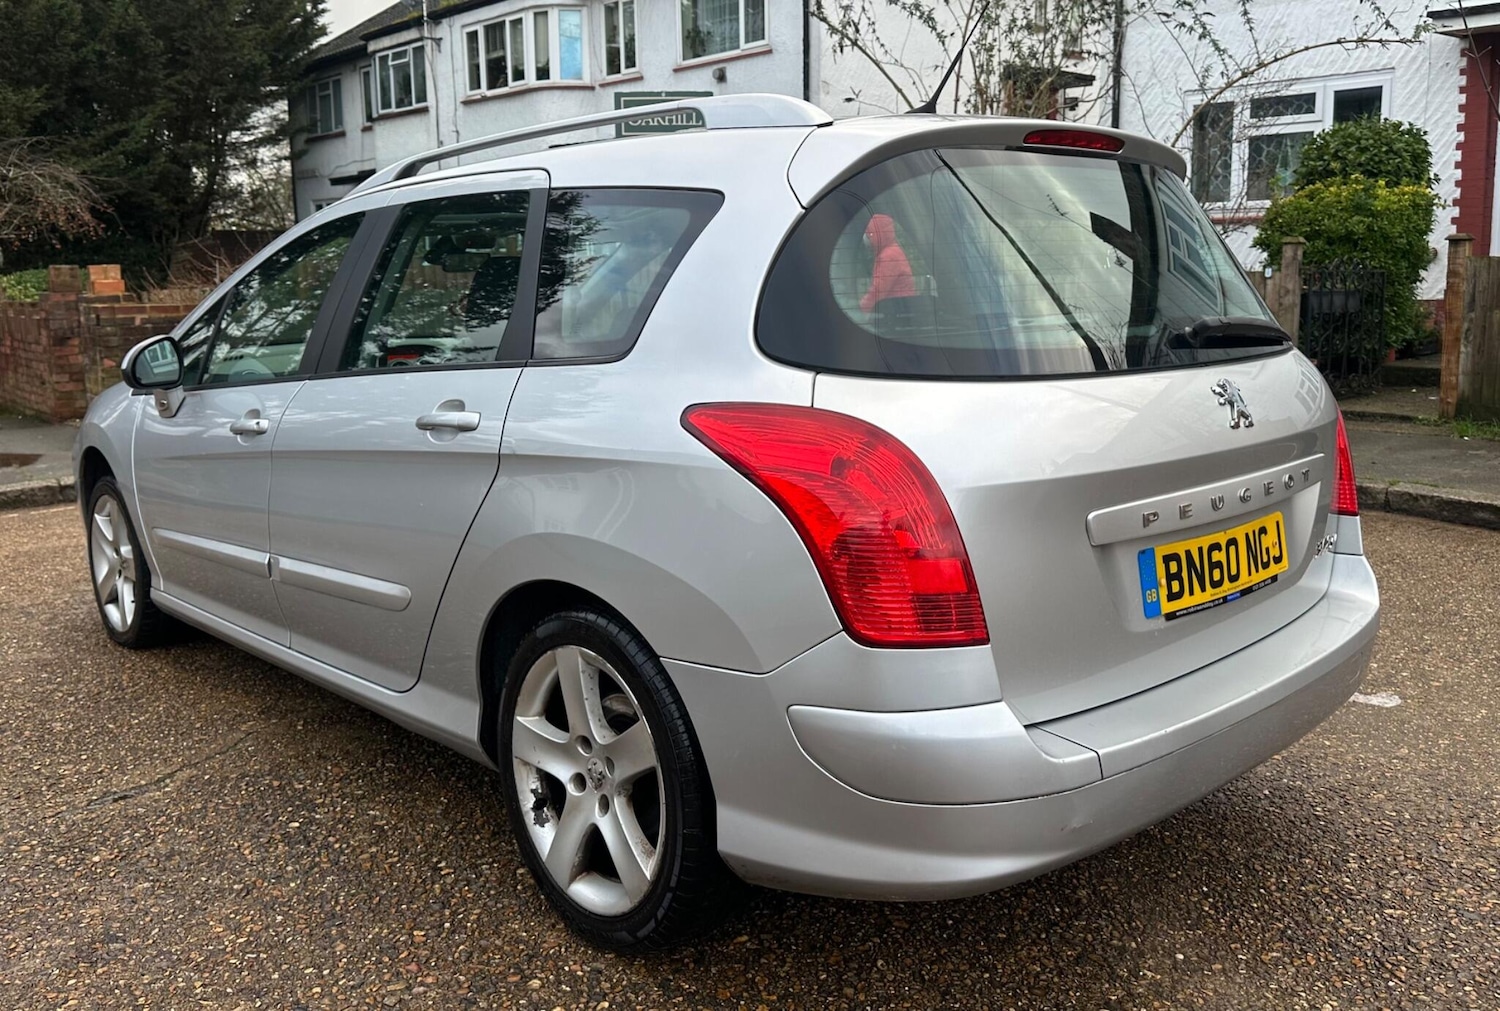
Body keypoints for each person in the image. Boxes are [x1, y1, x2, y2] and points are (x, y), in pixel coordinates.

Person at [858, 213, 916, 314]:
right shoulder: (892, 251)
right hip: (902, 309)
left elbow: (878, 290)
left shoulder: (888, 257)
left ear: (877, 234)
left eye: (869, 233)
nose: (866, 237)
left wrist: (862, 307)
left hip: (898, 312)